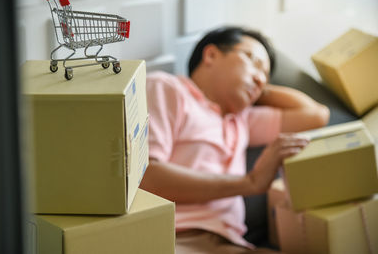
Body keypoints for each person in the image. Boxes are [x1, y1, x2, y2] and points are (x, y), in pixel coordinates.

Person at [140, 26, 330, 253]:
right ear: (211, 55)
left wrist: (257, 85)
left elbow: (316, 115)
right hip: (174, 238)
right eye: (253, 60)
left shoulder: (242, 120)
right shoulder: (167, 88)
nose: (260, 78)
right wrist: (250, 183)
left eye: (266, 76)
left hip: (232, 244)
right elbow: (147, 177)